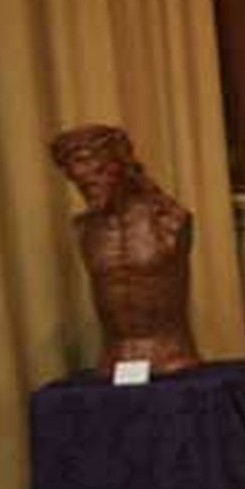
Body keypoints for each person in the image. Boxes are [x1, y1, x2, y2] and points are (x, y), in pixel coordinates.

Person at [50, 125, 200, 374]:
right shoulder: (83, 228)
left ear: (121, 165)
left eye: (97, 176)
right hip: (113, 362)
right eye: (81, 186)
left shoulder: (170, 220)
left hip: (171, 358)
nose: (88, 188)